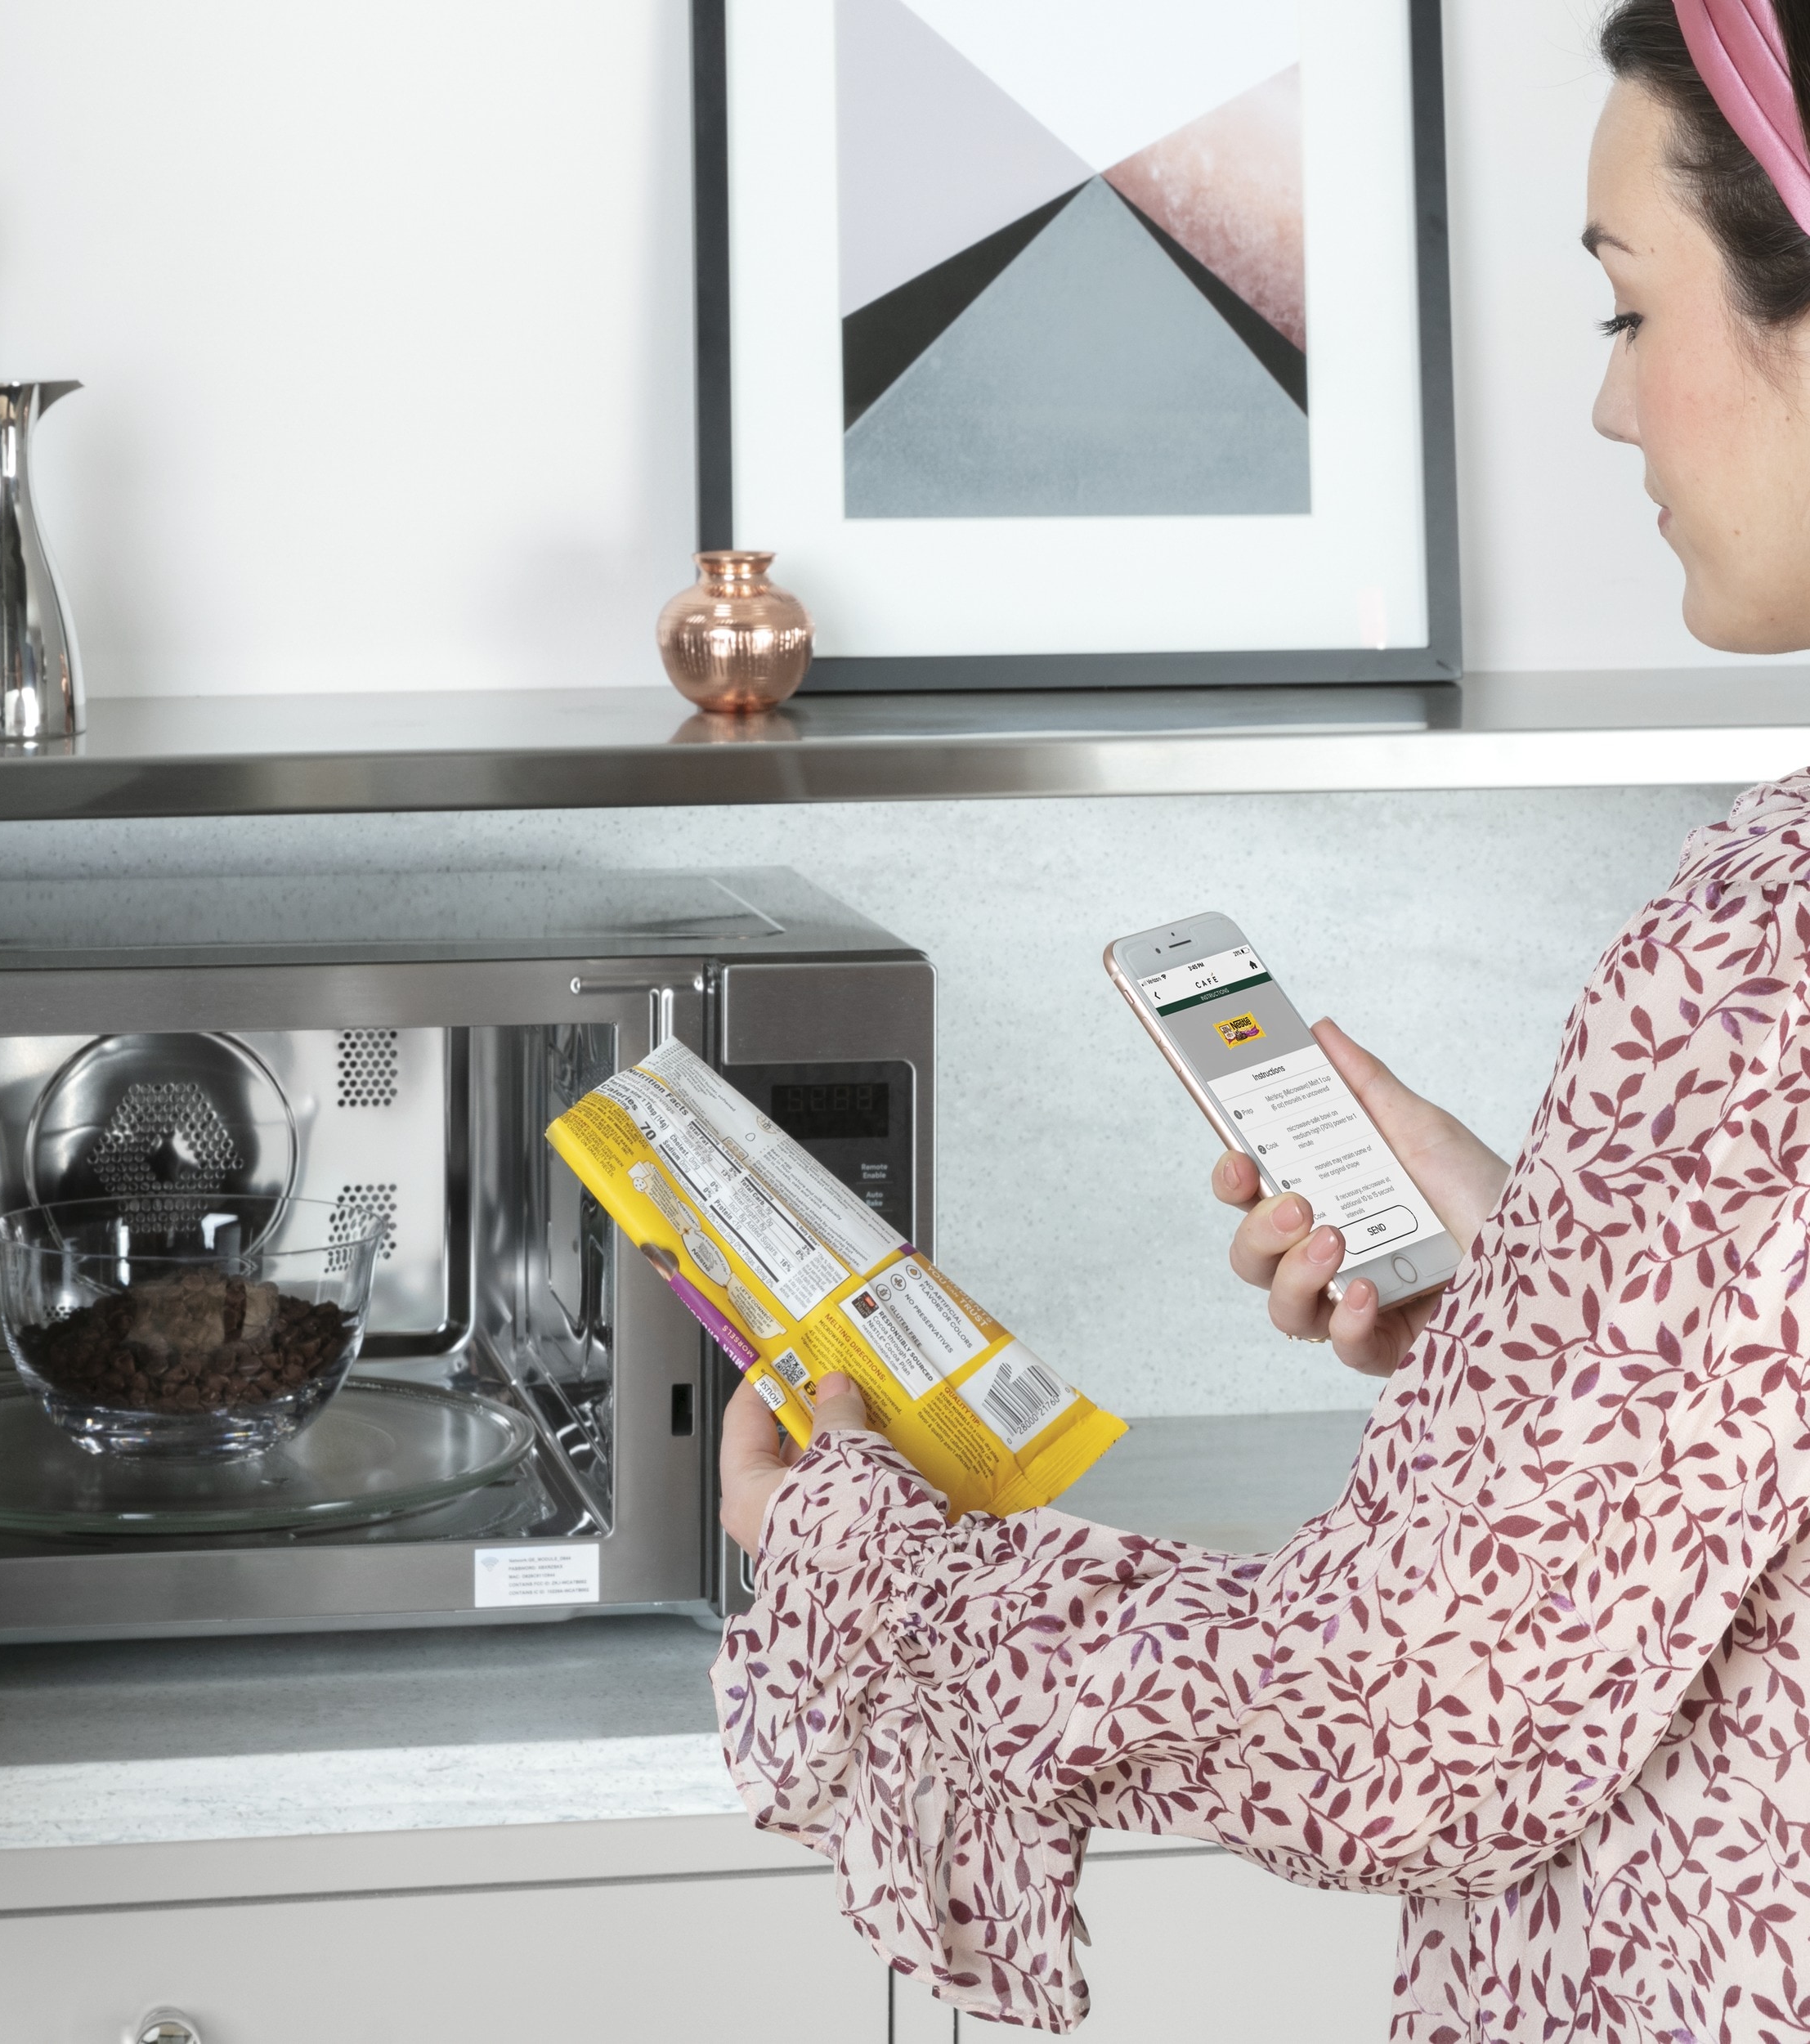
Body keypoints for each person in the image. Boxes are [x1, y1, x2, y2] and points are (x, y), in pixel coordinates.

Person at [711, 1, 1810, 2035]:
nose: (1610, 414)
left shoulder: (1771, 943)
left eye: (1625, 317)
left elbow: (1407, 1711)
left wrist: (858, 1544)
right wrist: (1546, 1264)